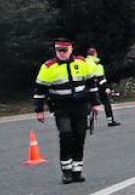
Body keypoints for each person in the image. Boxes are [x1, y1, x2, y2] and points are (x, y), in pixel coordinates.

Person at [34, 39, 101, 184]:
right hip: (61, 106)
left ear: (71, 50)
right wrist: (39, 111)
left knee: (79, 136)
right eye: (59, 51)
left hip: (80, 106)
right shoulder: (48, 67)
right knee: (65, 134)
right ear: (56, 51)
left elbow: (91, 84)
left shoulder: (81, 63)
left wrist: (96, 103)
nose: (62, 54)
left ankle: (77, 171)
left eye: (64, 51)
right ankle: (66, 171)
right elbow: (40, 90)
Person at [86, 47, 121, 127]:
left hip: (88, 86)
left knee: (89, 104)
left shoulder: (85, 62)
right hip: (99, 85)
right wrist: (106, 88)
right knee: (106, 102)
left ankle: (87, 123)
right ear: (95, 54)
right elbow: (101, 78)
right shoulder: (96, 64)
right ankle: (110, 120)